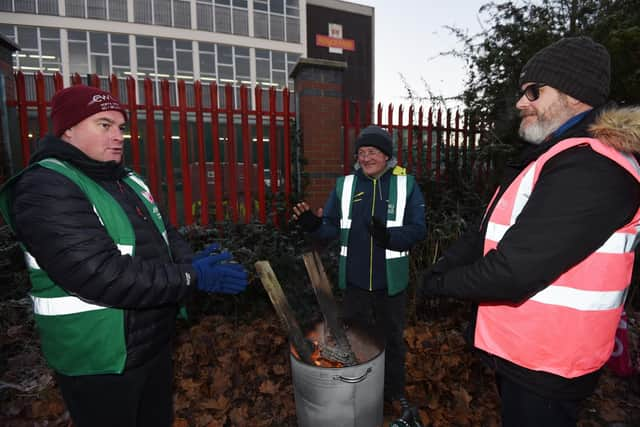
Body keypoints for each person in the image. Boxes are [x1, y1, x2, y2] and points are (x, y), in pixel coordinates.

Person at [419, 36, 640, 427]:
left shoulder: (594, 167)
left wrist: (442, 286)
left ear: (573, 95)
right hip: (526, 352)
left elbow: (514, 271)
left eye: (534, 92)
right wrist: (440, 270)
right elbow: (485, 230)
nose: (521, 103)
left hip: (551, 364)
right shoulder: (556, 155)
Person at [0, 85, 248, 427]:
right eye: (104, 125)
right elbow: (100, 274)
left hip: (150, 342)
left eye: (121, 127)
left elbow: (165, 235)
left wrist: (190, 263)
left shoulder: (126, 179)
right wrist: (191, 277)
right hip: (99, 358)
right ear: (67, 129)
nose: (118, 136)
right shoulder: (46, 187)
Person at [292, 125, 427, 405]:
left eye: (372, 152)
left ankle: (393, 395)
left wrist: (390, 237)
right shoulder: (346, 186)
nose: (366, 158)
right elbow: (330, 229)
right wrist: (314, 225)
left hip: (390, 282)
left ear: (386, 155)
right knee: (355, 342)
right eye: (361, 152)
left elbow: (418, 229)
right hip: (354, 283)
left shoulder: (406, 185)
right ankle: (360, 395)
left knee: (391, 341)